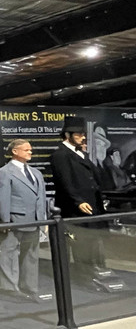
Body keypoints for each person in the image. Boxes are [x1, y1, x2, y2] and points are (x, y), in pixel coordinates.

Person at [49, 116, 107, 279]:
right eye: (78, 134)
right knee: (81, 242)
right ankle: (84, 275)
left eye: (83, 134)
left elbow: (95, 176)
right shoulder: (60, 155)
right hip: (75, 207)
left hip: (92, 204)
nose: (82, 137)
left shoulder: (81, 153)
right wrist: (78, 200)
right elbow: (65, 181)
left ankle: (95, 271)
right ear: (68, 135)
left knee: (93, 241)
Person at [0, 139, 48, 299]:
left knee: (31, 254)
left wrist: (43, 219)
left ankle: (30, 286)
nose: (30, 152)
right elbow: (2, 198)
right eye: (26, 150)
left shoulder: (36, 173)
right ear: (15, 151)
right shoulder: (5, 172)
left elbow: (41, 197)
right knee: (9, 252)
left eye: (30, 149)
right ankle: (9, 287)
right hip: (15, 219)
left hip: (34, 220)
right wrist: (5, 221)